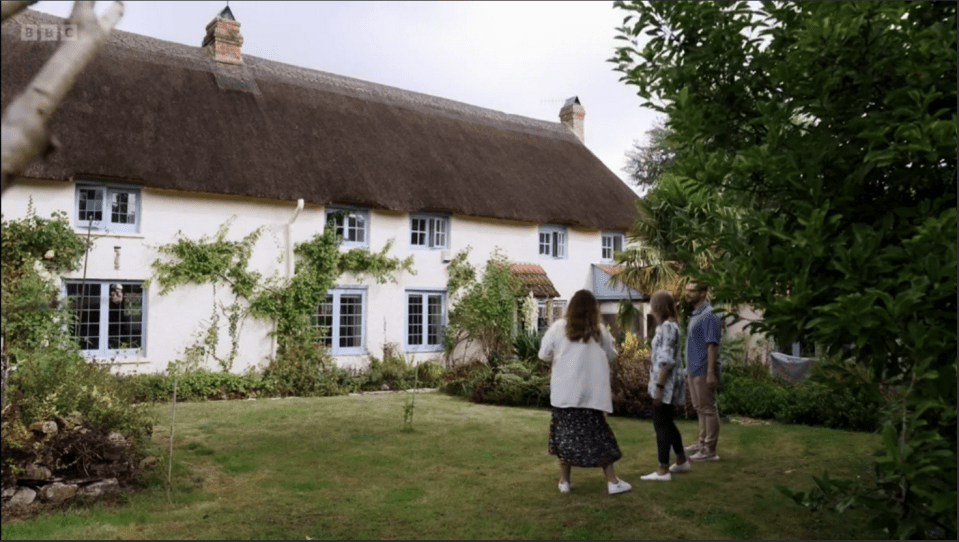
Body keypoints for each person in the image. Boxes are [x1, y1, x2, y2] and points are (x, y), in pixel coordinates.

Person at [538, 289, 632, 495]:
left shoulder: (557, 329)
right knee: (599, 437)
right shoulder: (599, 332)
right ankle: (612, 481)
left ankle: (565, 482)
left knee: (564, 439)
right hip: (591, 396)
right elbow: (612, 355)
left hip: (565, 394)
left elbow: (543, 354)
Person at [640, 290, 689, 481]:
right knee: (667, 421)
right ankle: (681, 459)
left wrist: (659, 386)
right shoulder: (669, 326)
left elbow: (667, 360)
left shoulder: (668, 327)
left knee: (660, 423)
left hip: (666, 383)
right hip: (667, 380)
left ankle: (663, 469)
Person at [683, 281, 722, 461]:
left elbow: (711, 345)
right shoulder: (696, 314)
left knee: (707, 409)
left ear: (703, 292)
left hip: (703, 370)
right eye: (687, 290)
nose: (687, 293)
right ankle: (702, 442)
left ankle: (710, 450)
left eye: (692, 291)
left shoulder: (709, 315)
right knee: (699, 408)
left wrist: (710, 372)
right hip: (692, 369)